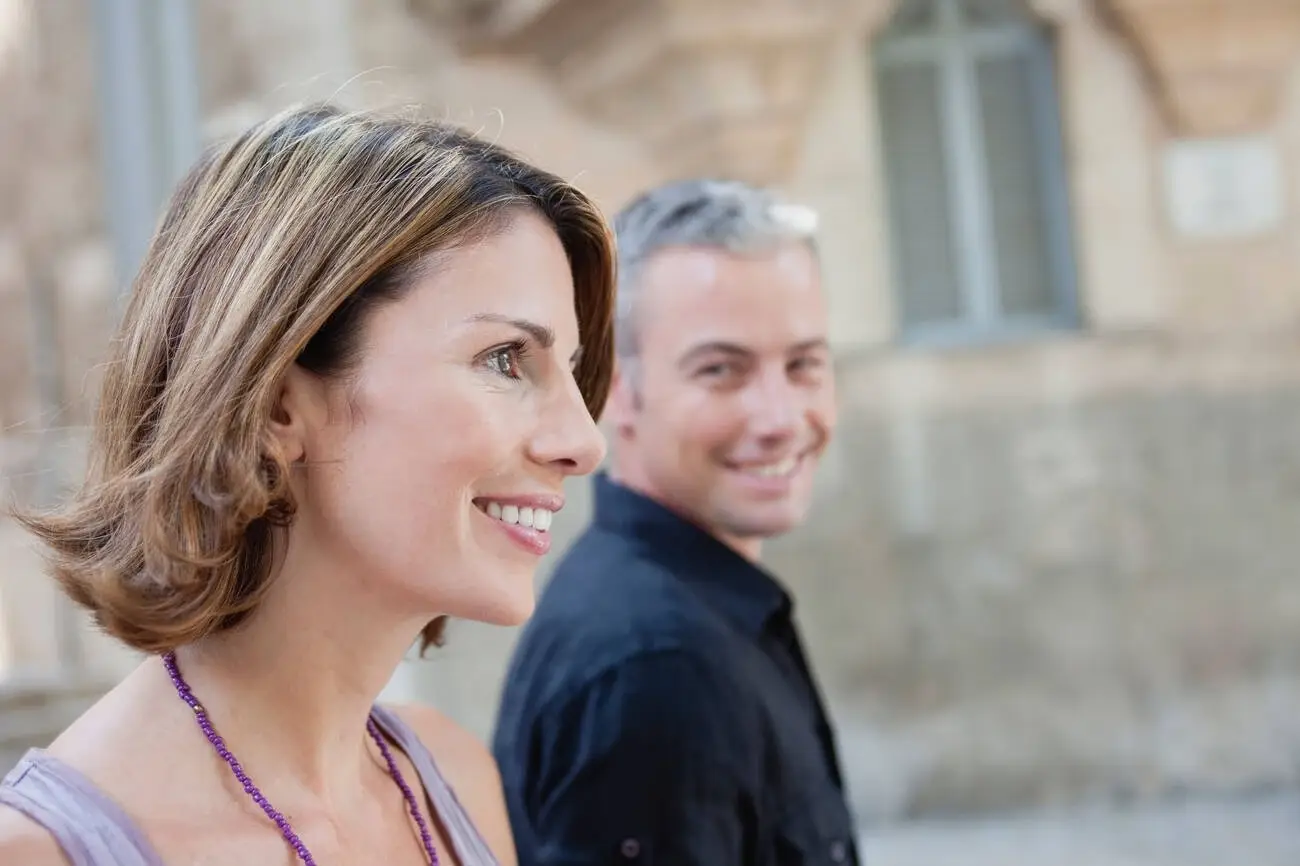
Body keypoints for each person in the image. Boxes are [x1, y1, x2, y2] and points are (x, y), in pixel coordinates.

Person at [0, 103, 613, 866]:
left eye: (572, 371)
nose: (584, 442)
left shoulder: (455, 782)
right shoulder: (46, 852)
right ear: (280, 404)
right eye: (505, 359)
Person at [492, 178, 859, 865]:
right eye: (722, 370)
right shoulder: (658, 668)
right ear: (618, 392)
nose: (780, 419)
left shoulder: (690, 616)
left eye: (804, 364)